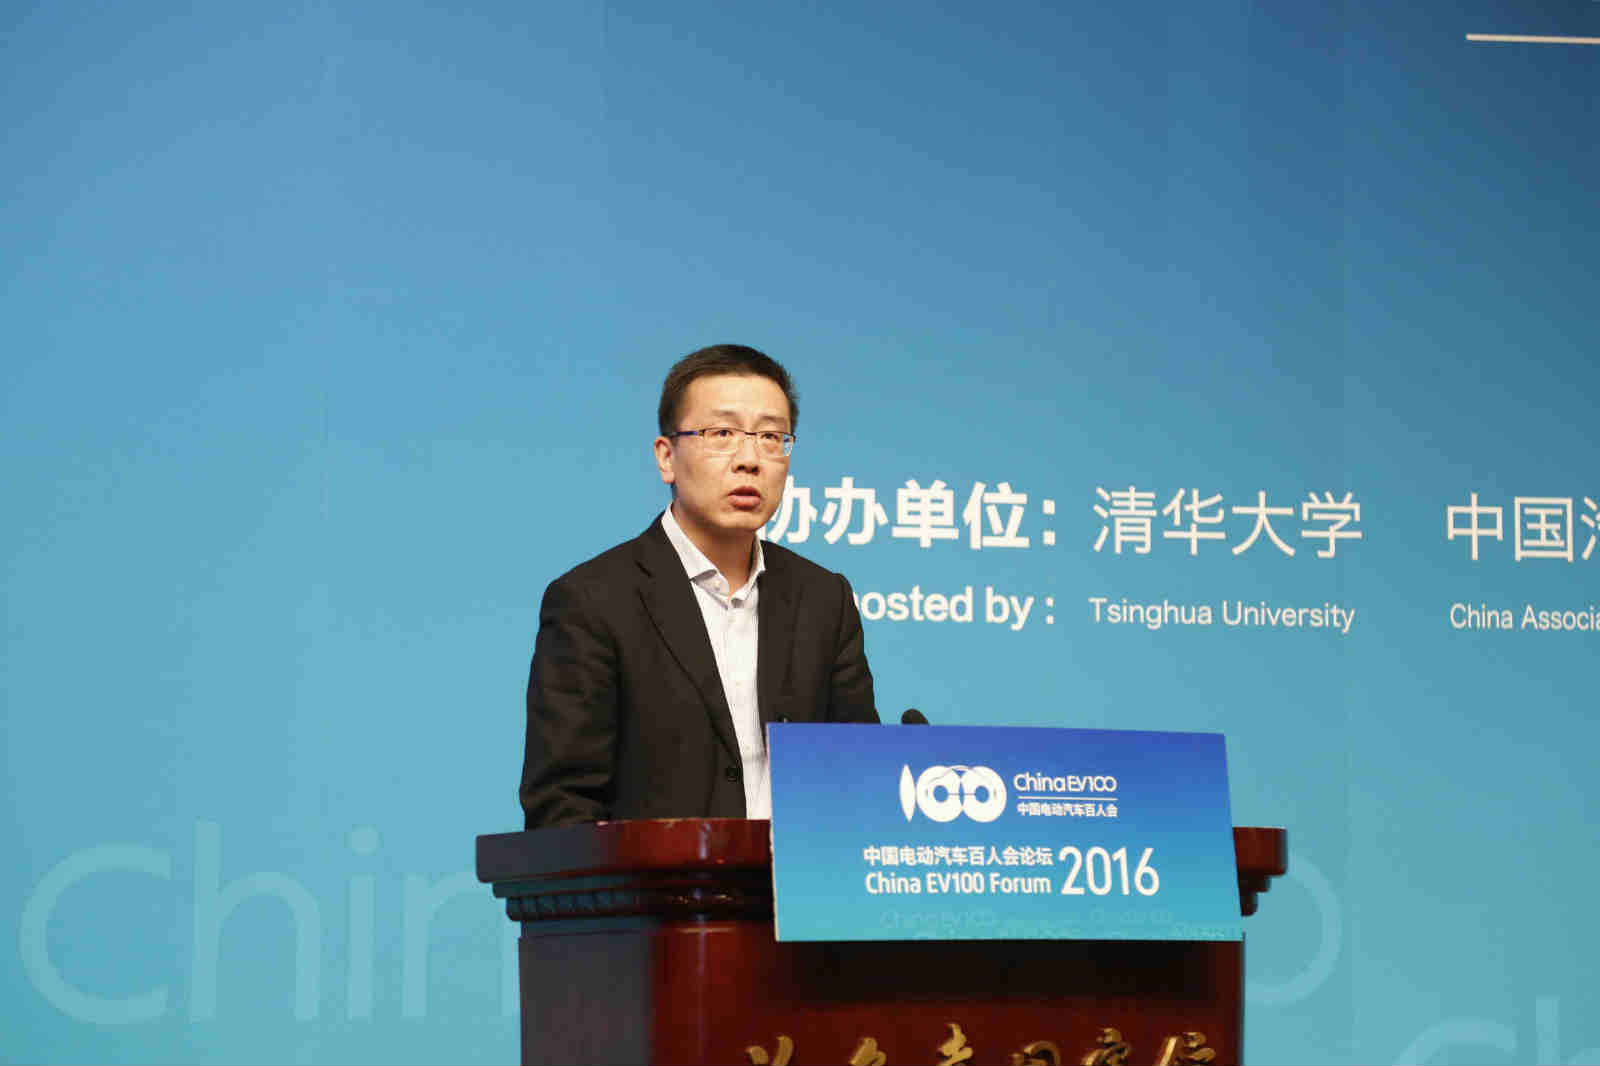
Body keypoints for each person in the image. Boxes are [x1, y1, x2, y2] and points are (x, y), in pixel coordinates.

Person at [519, 344, 880, 828]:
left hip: (801, 878)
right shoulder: (594, 601)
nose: (749, 459)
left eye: (770, 437)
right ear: (666, 457)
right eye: (722, 434)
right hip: (657, 879)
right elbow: (563, 807)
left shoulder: (823, 599)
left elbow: (858, 777)